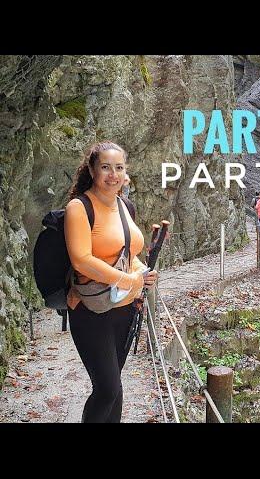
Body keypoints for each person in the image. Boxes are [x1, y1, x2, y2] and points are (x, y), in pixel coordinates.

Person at [64, 141, 158, 423]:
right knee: (106, 389)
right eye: (105, 167)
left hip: (125, 309)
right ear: (92, 170)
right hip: (91, 310)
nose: (112, 174)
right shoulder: (79, 208)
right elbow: (81, 259)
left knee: (115, 387)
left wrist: (142, 273)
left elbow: (129, 253)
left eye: (118, 168)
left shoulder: (124, 205)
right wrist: (127, 280)